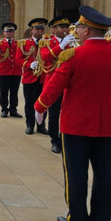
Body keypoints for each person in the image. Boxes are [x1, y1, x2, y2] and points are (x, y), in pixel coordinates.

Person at [34, 5, 111, 221]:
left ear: (87, 30)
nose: (76, 31)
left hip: (76, 127)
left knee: (76, 177)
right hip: (110, 128)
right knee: (106, 177)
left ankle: (78, 220)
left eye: (79, 27)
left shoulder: (73, 55)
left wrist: (40, 107)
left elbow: (54, 86)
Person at [38, 17, 75, 153]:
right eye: (61, 27)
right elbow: (45, 57)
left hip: (70, 84)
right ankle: (54, 139)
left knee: (68, 112)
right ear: (53, 29)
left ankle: (64, 137)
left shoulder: (73, 43)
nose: (65, 30)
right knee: (54, 114)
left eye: (67, 27)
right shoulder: (46, 42)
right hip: (53, 82)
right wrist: (61, 46)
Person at [16, 18, 48, 136]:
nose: (40, 31)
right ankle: (30, 125)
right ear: (32, 30)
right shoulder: (24, 43)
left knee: (43, 103)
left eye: (42, 29)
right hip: (30, 78)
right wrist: (29, 64)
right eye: (38, 29)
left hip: (44, 78)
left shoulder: (47, 42)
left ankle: (41, 125)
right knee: (30, 104)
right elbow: (18, 59)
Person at [0, 23, 22, 119]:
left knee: (14, 92)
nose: (9, 33)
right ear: (3, 33)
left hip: (16, 71)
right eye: (7, 31)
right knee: (3, 92)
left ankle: (13, 109)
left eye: (11, 31)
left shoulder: (18, 43)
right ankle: (4, 109)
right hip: (4, 71)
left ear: (14, 33)